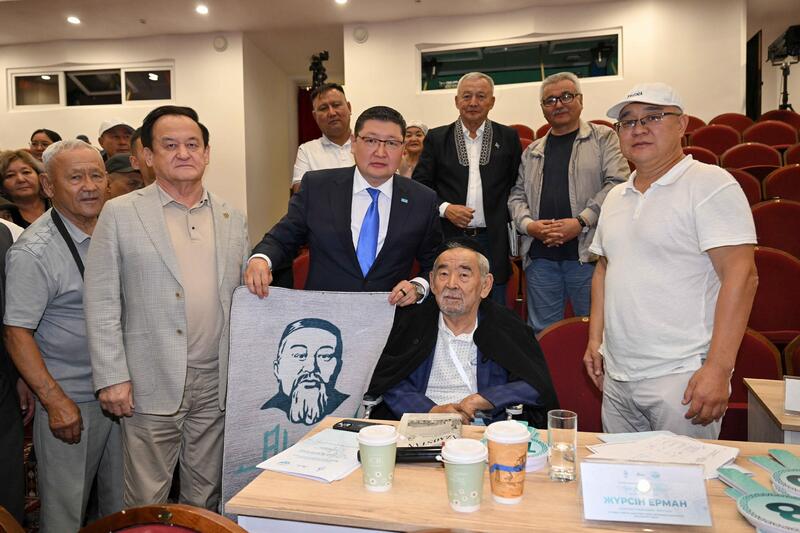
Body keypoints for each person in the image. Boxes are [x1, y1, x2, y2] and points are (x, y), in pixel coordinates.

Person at [84, 105, 249, 509]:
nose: (183, 153)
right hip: (148, 379)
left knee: (205, 495)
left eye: (192, 144)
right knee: (146, 498)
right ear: (148, 155)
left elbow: (242, 300)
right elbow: (101, 301)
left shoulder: (232, 217)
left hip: (215, 380)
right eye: (170, 145)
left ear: (207, 153)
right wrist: (112, 377)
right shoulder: (119, 214)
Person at [583, 83, 758, 439]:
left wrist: (718, 368)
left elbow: (742, 276)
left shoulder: (710, 184)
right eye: (628, 122)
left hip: (682, 377)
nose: (639, 129)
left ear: (682, 124)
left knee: (686, 475)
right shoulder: (615, 196)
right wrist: (594, 340)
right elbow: (604, 269)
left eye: (653, 117)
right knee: (621, 474)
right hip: (617, 377)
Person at [4, 140, 122, 532]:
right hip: (73, 402)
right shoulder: (34, 252)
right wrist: (55, 401)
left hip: (123, 395)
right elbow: (16, 332)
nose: (89, 186)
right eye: (75, 178)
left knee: (123, 508)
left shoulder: (115, 229)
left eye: (96, 175)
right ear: (48, 186)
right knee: (65, 515)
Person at [246, 106, 442, 306]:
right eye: (371, 140)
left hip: (391, 315)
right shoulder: (318, 187)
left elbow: (435, 261)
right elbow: (282, 238)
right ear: (354, 143)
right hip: (324, 315)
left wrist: (418, 287)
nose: (380, 152)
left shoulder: (422, 199)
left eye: (391, 143)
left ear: (403, 149)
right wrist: (261, 259)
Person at [368, 238, 558, 426]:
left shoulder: (506, 325)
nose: (451, 284)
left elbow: (536, 385)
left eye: (464, 275)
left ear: (485, 285)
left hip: (485, 430)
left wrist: (486, 399)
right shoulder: (412, 323)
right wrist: (431, 411)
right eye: (443, 274)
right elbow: (389, 382)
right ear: (432, 282)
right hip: (422, 424)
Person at [508, 72, 629, 334]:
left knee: (596, 331)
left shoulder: (603, 138)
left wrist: (581, 221)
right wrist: (529, 226)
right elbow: (517, 195)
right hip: (541, 258)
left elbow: (617, 184)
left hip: (588, 256)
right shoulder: (532, 151)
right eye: (550, 100)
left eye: (566, 96)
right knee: (544, 334)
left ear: (580, 100)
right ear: (543, 108)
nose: (558, 104)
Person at [414, 72, 522, 305]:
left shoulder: (508, 137)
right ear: (456, 101)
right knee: (451, 304)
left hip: (493, 240)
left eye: (481, 96)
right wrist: (445, 209)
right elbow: (420, 186)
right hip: (450, 238)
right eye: (467, 96)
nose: (473, 102)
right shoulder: (436, 138)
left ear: (492, 101)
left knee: (494, 309)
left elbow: (517, 186)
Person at [261, 318, 349, 426]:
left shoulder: (349, 404)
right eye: (299, 355)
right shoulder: (262, 414)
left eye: (325, 356)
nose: (311, 368)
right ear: (277, 368)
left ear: (338, 367)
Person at [0, 215, 27, 526]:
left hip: (3, 385)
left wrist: (20, 375)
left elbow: (10, 316)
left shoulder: (4, 235)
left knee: (7, 489)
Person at [291, 83, 354, 193]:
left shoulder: (369, 144)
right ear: (315, 116)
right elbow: (301, 195)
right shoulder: (306, 151)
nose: (332, 113)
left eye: (336, 105)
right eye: (323, 108)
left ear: (349, 108)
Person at [0, 149, 50, 228]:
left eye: (26, 172)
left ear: (40, 177)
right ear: (1, 186)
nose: (21, 179)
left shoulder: (59, 203)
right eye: (10, 175)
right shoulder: (3, 217)